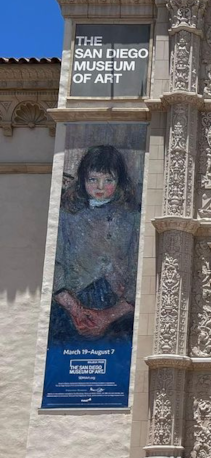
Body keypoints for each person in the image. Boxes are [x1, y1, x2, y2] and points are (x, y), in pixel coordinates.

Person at [51, 144, 140, 341]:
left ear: (119, 182)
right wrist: (76, 311)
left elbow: (139, 270)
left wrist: (108, 316)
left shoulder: (132, 219)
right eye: (93, 179)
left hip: (120, 309)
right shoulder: (66, 216)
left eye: (108, 180)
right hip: (71, 303)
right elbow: (55, 267)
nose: (100, 187)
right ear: (83, 180)